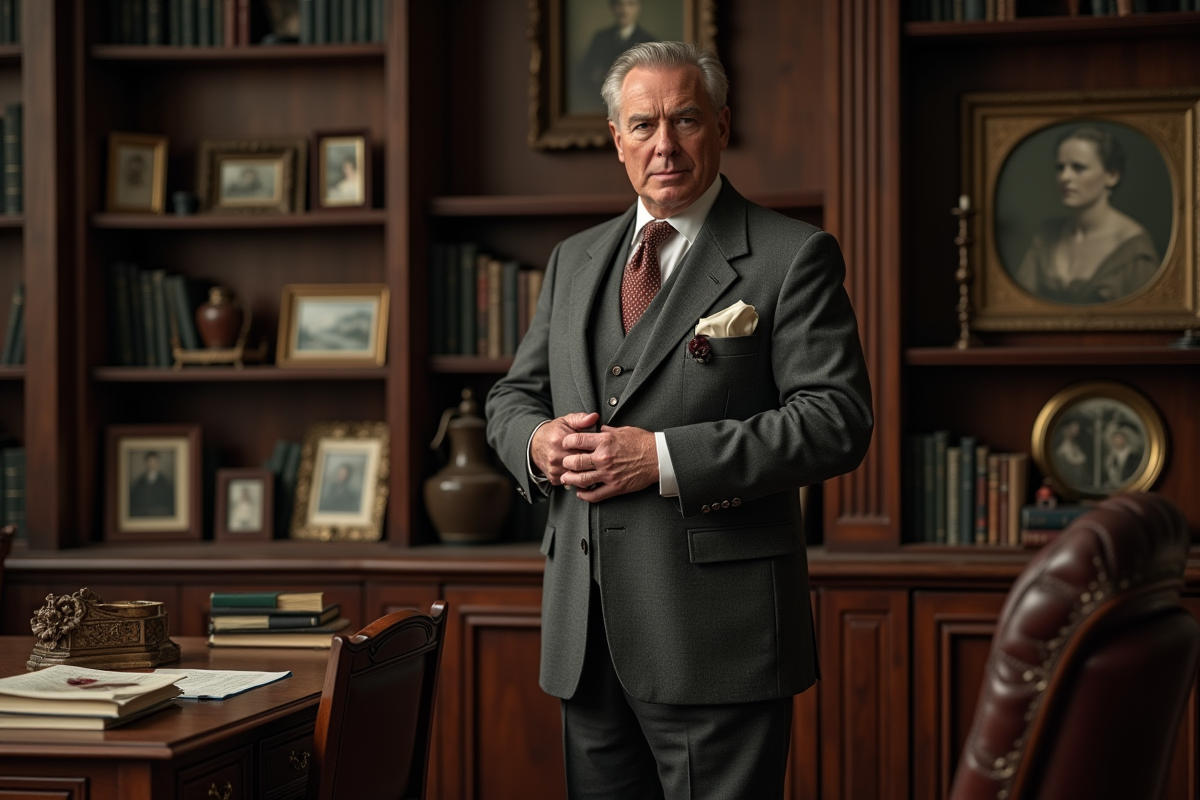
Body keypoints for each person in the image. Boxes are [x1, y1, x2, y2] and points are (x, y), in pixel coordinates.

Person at [485, 42, 873, 799]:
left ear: (721, 126)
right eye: (643, 125)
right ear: (616, 139)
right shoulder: (572, 259)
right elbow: (512, 396)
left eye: (685, 120)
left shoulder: (793, 255)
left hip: (718, 639)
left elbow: (835, 420)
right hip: (583, 639)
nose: (664, 144)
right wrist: (536, 441)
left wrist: (660, 458)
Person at [1012, 126, 1160, 305]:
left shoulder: (1135, 250)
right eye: (1060, 167)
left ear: (1112, 176)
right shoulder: (1046, 235)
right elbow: (1018, 304)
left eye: (1078, 167)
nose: (1064, 177)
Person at [572, 0, 656, 115]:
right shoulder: (600, 38)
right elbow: (583, 74)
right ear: (612, 7)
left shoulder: (649, 42)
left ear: (638, 7)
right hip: (601, 107)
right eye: (619, 4)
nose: (624, 10)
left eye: (630, 4)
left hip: (634, 109)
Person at [129, 451, 174, 518]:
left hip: (161, 516)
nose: (152, 465)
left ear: (158, 463)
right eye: (150, 462)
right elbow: (134, 503)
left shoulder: (166, 483)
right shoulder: (139, 483)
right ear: (146, 463)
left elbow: (170, 504)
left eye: (154, 462)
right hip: (143, 516)